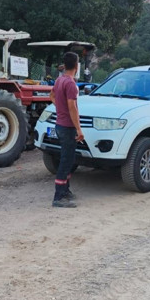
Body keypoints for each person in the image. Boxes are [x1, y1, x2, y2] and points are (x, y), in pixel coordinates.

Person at [49, 51, 84, 208]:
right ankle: (59, 196)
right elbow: (73, 107)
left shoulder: (59, 80)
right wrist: (79, 129)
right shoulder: (71, 84)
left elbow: (52, 96)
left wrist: (60, 108)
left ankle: (65, 190)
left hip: (59, 124)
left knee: (68, 159)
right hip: (68, 126)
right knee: (66, 160)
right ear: (77, 66)